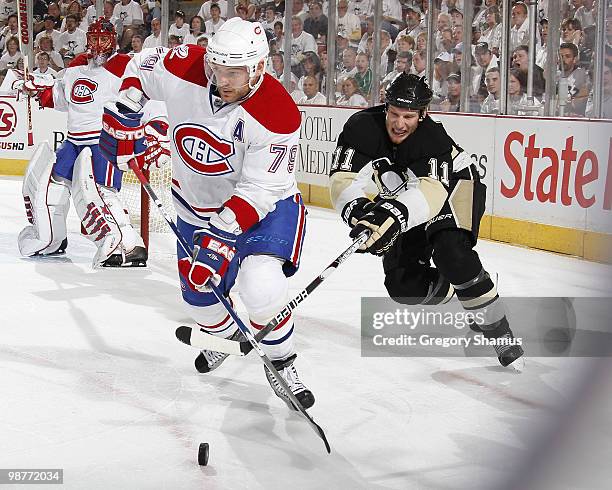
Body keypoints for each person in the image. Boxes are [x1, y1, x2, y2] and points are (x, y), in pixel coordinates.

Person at [99, 18, 315, 410]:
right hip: (195, 208)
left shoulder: (277, 112)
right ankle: (229, 338)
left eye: (235, 72)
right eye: (218, 70)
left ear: (259, 68)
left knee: (261, 287)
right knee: (199, 296)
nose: (224, 80)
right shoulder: (187, 65)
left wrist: (221, 238)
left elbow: (260, 188)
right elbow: (141, 67)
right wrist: (127, 107)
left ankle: (282, 362)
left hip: (264, 209)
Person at [329, 73, 524, 369]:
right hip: (405, 195)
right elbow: (343, 179)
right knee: (403, 286)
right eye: (394, 113)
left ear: (423, 114)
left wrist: (392, 216)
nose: (399, 123)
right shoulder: (361, 128)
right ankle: (469, 289)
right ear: (386, 107)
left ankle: (499, 330)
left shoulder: (432, 138)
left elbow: (432, 194)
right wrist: (359, 212)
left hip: (453, 187)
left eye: (408, 116)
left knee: (452, 254)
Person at [16, 19, 169, 268]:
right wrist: (38, 91)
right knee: (53, 188)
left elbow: (147, 96)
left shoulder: (124, 65)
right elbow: (62, 97)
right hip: (73, 141)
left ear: (113, 41)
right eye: (94, 38)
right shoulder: (76, 66)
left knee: (101, 194)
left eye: (103, 39)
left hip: (103, 142)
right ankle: (52, 239)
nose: (98, 45)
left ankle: (129, 246)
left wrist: (156, 128)